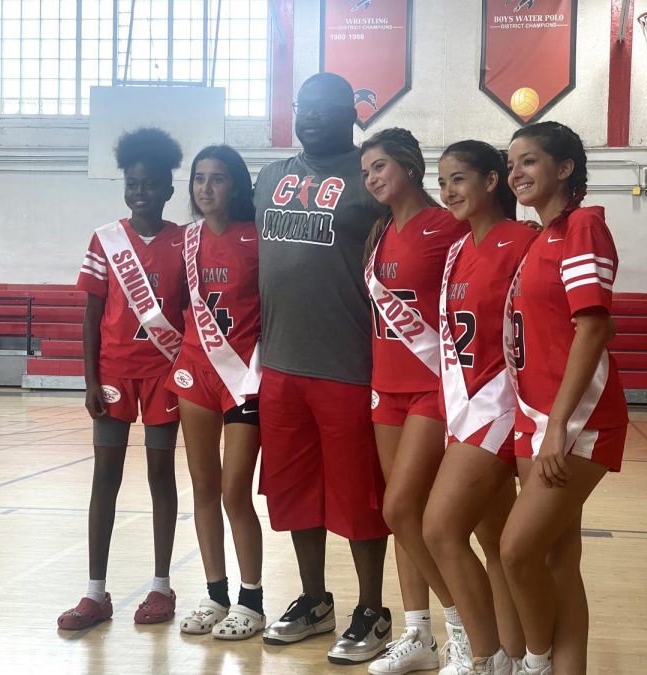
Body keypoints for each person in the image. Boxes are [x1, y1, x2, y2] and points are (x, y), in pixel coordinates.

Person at [254, 72, 392, 666]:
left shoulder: (372, 176)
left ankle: (373, 609)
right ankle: (315, 600)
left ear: (350, 112)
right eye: (301, 106)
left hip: (348, 366)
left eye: (324, 107)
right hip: (280, 363)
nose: (309, 116)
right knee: (293, 493)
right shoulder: (269, 177)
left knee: (359, 496)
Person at [500, 122, 628, 675]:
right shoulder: (538, 238)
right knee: (558, 560)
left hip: (576, 423)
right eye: (511, 166)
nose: (516, 174)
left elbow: (594, 327)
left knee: (515, 550)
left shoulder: (583, 227)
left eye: (528, 161)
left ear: (565, 168)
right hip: (538, 419)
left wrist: (557, 427)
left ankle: (536, 660)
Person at [58, 127, 186, 630]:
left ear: (169, 189)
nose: (140, 193)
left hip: (164, 375)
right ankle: (95, 593)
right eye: (133, 184)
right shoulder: (105, 239)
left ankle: (160, 587)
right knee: (104, 478)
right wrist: (89, 379)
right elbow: (92, 314)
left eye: (150, 184)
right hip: (113, 374)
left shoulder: (184, 240)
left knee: (160, 478)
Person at [423, 141, 535, 674]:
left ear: (494, 181)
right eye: (442, 182)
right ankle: (516, 658)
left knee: (440, 529)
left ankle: (484, 659)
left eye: (459, 179)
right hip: (463, 405)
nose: (448, 191)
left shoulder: (524, 242)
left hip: (501, 404)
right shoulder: (457, 249)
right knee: (491, 539)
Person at [357, 128, 466, 675]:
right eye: (366, 171)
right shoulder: (380, 231)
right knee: (403, 517)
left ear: (408, 166)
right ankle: (417, 633)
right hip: (386, 386)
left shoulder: (447, 226)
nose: (372, 178)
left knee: (401, 507)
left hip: (431, 384)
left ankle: (465, 629)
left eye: (380, 167)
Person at [166, 145, 265, 640]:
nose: (206, 188)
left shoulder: (257, 238)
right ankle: (214, 592)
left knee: (234, 491)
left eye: (218, 178)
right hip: (194, 372)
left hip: (243, 376)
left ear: (237, 185)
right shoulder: (187, 240)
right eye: (199, 179)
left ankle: (251, 598)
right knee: (203, 488)